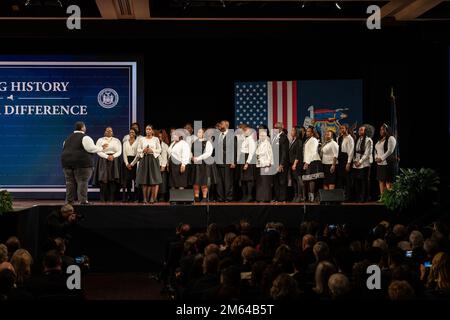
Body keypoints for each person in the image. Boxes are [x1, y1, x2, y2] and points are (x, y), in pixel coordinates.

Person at [61, 121, 108, 205]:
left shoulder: (67, 138)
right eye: (85, 126)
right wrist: (101, 148)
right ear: (82, 128)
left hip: (66, 164)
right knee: (82, 182)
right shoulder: (85, 137)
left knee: (69, 183)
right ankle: (83, 201)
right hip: (82, 165)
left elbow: (64, 148)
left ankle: (69, 202)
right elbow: (91, 149)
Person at [94, 127, 122, 202]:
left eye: (111, 130)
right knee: (103, 180)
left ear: (112, 132)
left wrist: (113, 156)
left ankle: (111, 199)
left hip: (114, 160)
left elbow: (119, 151)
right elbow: (98, 151)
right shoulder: (100, 140)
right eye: (107, 130)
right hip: (103, 160)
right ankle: (103, 199)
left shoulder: (117, 140)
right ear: (105, 132)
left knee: (112, 180)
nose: (109, 132)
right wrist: (107, 156)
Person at [136, 125, 163, 204]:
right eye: (146, 129)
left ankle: (152, 198)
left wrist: (152, 150)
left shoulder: (156, 139)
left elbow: (159, 150)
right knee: (144, 180)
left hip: (153, 160)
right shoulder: (142, 139)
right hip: (144, 159)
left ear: (152, 131)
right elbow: (138, 149)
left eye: (149, 129)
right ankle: (144, 199)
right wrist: (143, 150)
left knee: (153, 179)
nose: (148, 131)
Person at [190, 128, 216, 202]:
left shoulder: (207, 142)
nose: (198, 133)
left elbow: (208, 153)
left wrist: (198, 158)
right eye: (198, 132)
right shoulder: (194, 142)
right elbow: (191, 151)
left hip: (204, 164)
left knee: (203, 181)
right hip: (195, 163)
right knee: (196, 181)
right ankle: (196, 197)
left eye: (200, 132)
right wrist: (191, 157)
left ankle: (204, 197)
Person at [215, 120, 236, 202]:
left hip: (227, 161)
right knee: (219, 181)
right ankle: (220, 198)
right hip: (219, 161)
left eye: (221, 124)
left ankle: (228, 198)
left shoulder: (231, 135)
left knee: (228, 181)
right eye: (219, 124)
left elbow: (234, 149)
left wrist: (233, 161)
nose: (220, 125)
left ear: (226, 125)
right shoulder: (218, 134)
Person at [375, 124, 398, 195]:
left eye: (383, 129)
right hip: (380, 164)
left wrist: (381, 158)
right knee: (381, 180)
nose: (381, 131)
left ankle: (390, 199)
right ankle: (383, 197)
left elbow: (390, 151)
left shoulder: (391, 138)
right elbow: (375, 150)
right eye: (380, 129)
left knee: (388, 181)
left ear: (387, 130)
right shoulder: (380, 140)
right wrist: (376, 157)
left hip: (388, 163)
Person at [302, 126, 324, 202]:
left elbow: (313, 152)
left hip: (313, 161)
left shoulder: (314, 140)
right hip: (308, 161)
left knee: (312, 180)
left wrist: (307, 162)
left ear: (312, 133)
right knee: (307, 180)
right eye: (306, 131)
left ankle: (312, 197)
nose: (307, 133)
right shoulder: (307, 140)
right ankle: (309, 197)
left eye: (308, 131)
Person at [353, 125, 373, 202]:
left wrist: (360, 162)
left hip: (365, 163)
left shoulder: (368, 140)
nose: (359, 131)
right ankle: (358, 197)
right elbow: (355, 151)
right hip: (357, 163)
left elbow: (367, 153)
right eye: (359, 130)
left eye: (361, 130)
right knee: (357, 181)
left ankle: (365, 197)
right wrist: (355, 160)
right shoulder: (358, 139)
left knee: (364, 181)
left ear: (365, 132)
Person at [272, 122, 289, 202]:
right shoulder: (275, 137)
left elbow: (284, 152)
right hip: (275, 164)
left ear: (280, 128)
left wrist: (281, 164)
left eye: (276, 128)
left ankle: (283, 198)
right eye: (274, 127)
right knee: (276, 182)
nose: (274, 129)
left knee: (282, 181)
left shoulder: (283, 137)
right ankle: (277, 198)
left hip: (281, 164)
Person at [255, 126, 273, 202]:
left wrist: (269, 163)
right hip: (260, 164)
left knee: (265, 182)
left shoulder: (267, 142)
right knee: (260, 182)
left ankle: (265, 198)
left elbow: (270, 154)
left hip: (265, 164)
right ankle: (260, 198)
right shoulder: (259, 142)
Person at [239, 124, 257, 202]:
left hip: (247, 159)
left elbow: (251, 152)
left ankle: (249, 196)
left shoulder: (251, 140)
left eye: (245, 130)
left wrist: (247, 163)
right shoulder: (243, 138)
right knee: (243, 179)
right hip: (242, 158)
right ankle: (244, 196)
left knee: (248, 179)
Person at [337, 124, 354, 201]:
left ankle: (348, 197)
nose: (341, 130)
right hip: (340, 159)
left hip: (346, 158)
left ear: (346, 129)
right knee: (340, 178)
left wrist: (348, 162)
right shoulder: (339, 138)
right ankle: (341, 196)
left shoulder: (350, 138)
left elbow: (351, 152)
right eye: (340, 128)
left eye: (343, 128)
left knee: (347, 179)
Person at [121, 128, 140, 202]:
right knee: (126, 181)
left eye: (133, 132)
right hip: (126, 162)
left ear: (135, 134)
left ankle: (135, 198)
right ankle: (125, 197)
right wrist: (127, 163)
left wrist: (132, 164)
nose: (131, 133)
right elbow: (124, 154)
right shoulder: (125, 143)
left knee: (135, 181)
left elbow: (138, 155)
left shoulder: (138, 142)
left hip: (134, 162)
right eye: (130, 132)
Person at [289, 126, 304, 202]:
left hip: (297, 164)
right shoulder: (293, 140)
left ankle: (300, 196)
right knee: (294, 180)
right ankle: (295, 195)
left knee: (298, 180)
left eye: (292, 130)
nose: (291, 132)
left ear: (296, 132)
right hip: (292, 163)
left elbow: (298, 154)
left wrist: (294, 164)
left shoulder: (299, 141)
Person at [157, 129, 170, 202]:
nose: (160, 138)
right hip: (156, 165)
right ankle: (156, 196)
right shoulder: (155, 145)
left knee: (163, 182)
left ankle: (162, 196)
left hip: (163, 166)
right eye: (159, 137)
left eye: (161, 137)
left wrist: (164, 165)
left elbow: (166, 157)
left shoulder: (165, 146)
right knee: (156, 182)